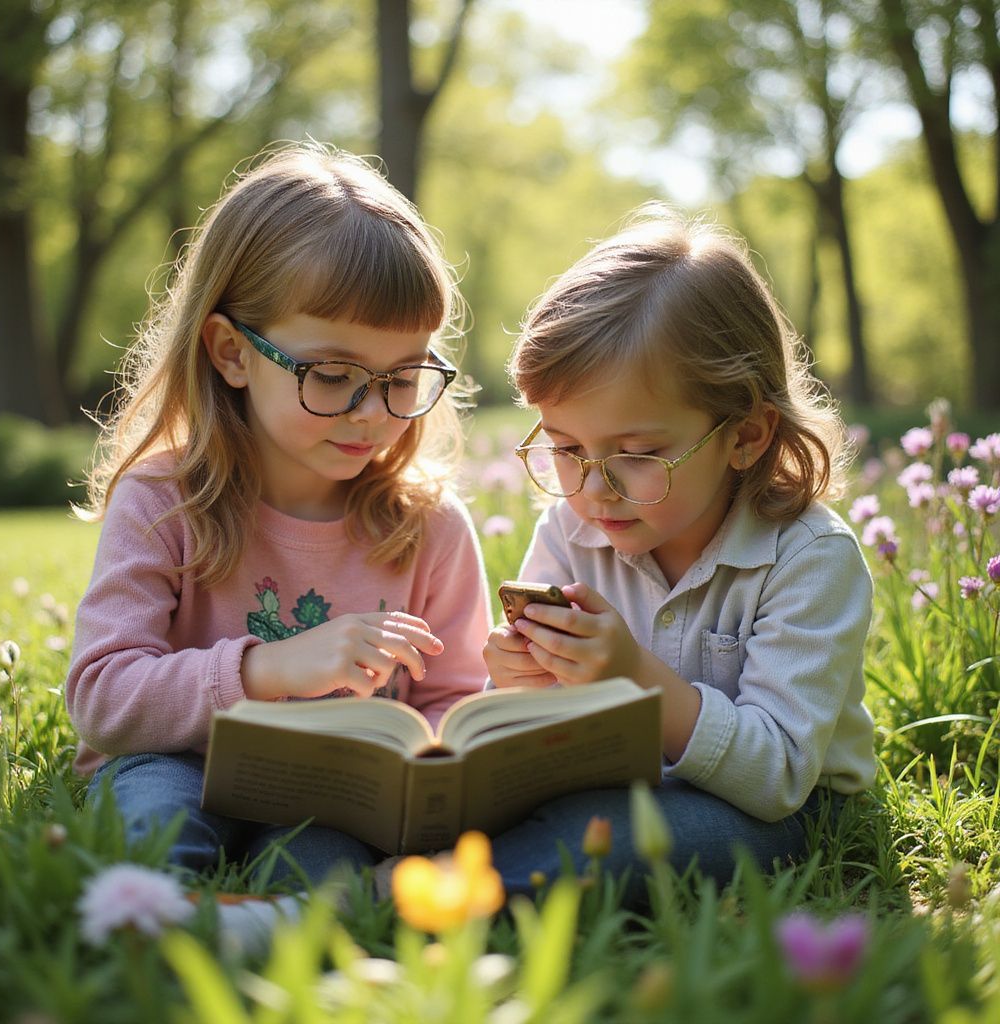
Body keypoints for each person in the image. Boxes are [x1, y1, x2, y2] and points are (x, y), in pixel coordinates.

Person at [66, 142, 492, 889]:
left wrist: (430, 762)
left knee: (329, 881)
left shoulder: (430, 526)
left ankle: (270, 943)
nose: (372, 414)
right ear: (232, 353)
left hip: (332, 795)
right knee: (154, 840)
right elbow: (104, 700)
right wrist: (268, 670)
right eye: (333, 376)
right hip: (174, 764)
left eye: (404, 377)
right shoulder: (164, 499)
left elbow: (454, 698)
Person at [483, 203, 876, 899]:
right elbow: (530, 735)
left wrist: (633, 673)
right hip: (615, 788)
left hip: (777, 813)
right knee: (535, 819)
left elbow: (779, 775)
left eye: (636, 454)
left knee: (611, 844)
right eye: (566, 449)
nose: (594, 489)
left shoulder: (809, 558)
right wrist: (519, 682)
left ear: (746, 435)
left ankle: (369, 902)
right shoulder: (570, 532)